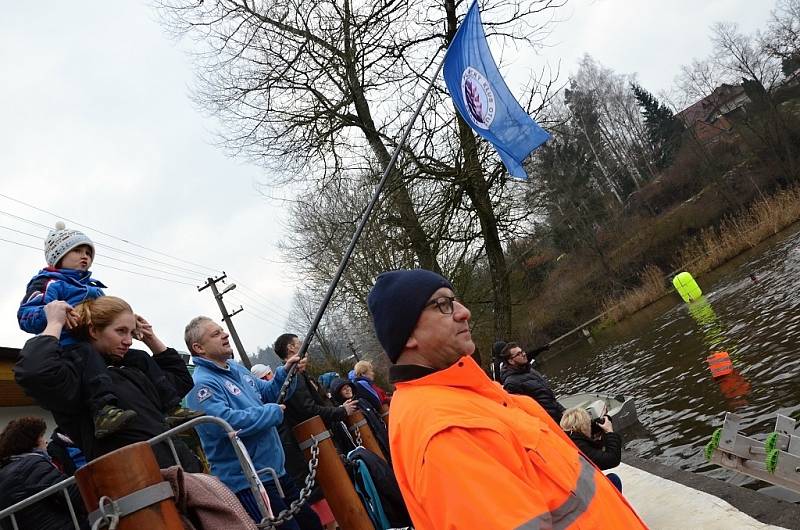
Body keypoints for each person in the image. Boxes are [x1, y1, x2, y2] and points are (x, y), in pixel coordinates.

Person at [367, 268, 646, 529]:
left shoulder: (464, 396)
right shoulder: (448, 432)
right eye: (443, 305)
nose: (465, 312)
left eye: (456, 301)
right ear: (407, 336)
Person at [16, 222, 201, 437]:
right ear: (57, 256)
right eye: (76, 250)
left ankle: (173, 407)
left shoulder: (95, 289)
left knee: (140, 357)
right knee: (87, 354)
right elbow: (25, 316)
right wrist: (53, 316)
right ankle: (103, 411)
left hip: (99, 354)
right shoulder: (49, 283)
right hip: (71, 350)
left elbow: (109, 317)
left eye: (88, 252)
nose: (84, 256)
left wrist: (130, 325)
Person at [14, 297, 202, 471]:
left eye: (130, 332)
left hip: (181, 467)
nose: (129, 341)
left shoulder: (134, 366)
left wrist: (150, 337)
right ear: (94, 330)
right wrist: (54, 323)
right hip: (134, 481)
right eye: (120, 331)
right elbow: (35, 373)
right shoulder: (75, 375)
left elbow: (181, 382)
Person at [185, 318, 323, 529]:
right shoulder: (201, 384)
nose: (225, 335)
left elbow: (269, 393)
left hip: (275, 472)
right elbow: (224, 423)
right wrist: (271, 413)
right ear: (199, 348)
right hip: (249, 483)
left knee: (311, 523)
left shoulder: (235, 368)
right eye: (215, 334)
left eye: (222, 330)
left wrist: (287, 372)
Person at [0, 416, 88, 530]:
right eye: (41, 436)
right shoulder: (32, 464)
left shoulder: (6, 472)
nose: (46, 441)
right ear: (30, 441)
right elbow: (74, 495)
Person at [499, 341, 565, 424]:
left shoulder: (530, 370)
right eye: (518, 354)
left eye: (522, 351)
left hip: (558, 414)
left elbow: (548, 396)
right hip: (547, 422)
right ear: (511, 361)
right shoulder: (511, 383)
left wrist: (563, 411)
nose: (523, 354)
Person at [561, 407, 624, 492]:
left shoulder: (566, 437)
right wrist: (609, 431)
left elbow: (585, 431)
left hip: (571, 485)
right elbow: (612, 459)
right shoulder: (580, 447)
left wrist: (602, 421)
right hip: (579, 493)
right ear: (585, 426)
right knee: (613, 480)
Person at [329, 377, 390, 460]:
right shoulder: (340, 414)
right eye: (343, 389)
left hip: (381, 439)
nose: (347, 390)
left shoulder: (362, 402)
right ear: (338, 394)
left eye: (348, 387)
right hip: (367, 448)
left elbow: (378, 418)